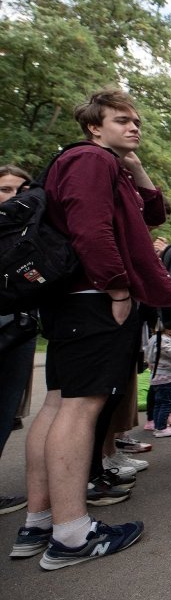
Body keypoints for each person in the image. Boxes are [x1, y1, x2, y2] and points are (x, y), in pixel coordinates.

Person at [11, 89, 171, 569]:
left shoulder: (105, 163)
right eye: (122, 120)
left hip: (76, 301)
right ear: (94, 125)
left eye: (137, 121)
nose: (134, 127)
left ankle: (40, 521)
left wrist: (134, 162)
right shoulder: (90, 160)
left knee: (60, 402)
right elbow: (90, 229)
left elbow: (152, 214)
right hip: (94, 299)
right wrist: (118, 288)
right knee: (80, 410)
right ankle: (71, 534)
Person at [0, 165, 34, 514]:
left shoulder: (30, 232)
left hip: (21, 329)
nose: (13, 197)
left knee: (6, 411)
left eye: (20, 190)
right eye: (5, 190)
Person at [145, 328, 171, 438]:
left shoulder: (153, 338)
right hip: (165, 376)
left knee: (159, 403)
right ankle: (161, 428)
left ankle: (158, 426)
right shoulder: (163, 339)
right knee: (167, 402)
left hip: (156, 375)